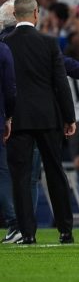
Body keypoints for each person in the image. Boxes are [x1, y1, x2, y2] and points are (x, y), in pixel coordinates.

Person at [4, 0, 76, 245]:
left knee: (21, 177)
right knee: (55, 172)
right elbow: (61, 83)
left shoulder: (5, 43)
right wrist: (69, 117)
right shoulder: (49, 43)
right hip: (48, 117)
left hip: (17, 119)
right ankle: (66, 230)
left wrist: (5, 116)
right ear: (36, 14)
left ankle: (27, 233)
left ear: (14, 16)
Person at [0, 37, 15, 241]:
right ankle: (14, 222)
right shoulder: (3, 50)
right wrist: (9, 117)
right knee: (2, 174)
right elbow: (11, 90)